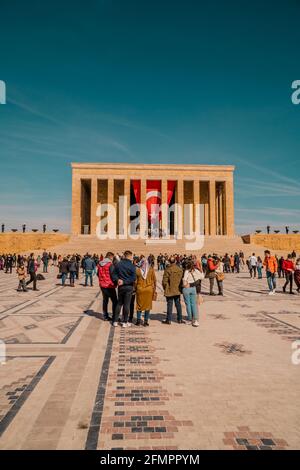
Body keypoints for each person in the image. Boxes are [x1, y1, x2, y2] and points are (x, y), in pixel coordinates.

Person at [112, 250, 136, 327]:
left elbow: (113, 274)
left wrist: (117, 280)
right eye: (131, 256)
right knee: (126, 304)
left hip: (121, 286)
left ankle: (115, 321)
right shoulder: (132, 266)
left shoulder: (119, 264)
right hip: (128, 286)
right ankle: (124, 321)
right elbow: (133, 278)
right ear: (129, 256)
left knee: (119, 303)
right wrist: (125, 282)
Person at [135, 256, 156, 326]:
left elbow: (135, 281)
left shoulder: (137, 270)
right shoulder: (151, 270)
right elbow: (154, 280)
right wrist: (154, 290)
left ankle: (138, 321)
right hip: (149, 290)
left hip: (140, 289)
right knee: (148, 306)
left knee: (139, 306)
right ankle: (146, 321)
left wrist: (135, 289)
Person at [162, 256, 183, 324]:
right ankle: (180, 319)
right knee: (178, 304)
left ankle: (169, 320)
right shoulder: (179, 269)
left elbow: (164, 281)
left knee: (169, 305)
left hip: (170, 290)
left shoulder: (168, 269)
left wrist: (165, 288)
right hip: (177, 289)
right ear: (175, 261)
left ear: (169, 261)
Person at [97, 252, 117, 322]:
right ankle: (115, 316)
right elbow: (113, 276)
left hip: (102, 285)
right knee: (115, 301)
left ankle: (105, 316)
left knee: (105, 301)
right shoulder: (110, 265)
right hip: (109, 285)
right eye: (112, 257)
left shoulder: (100, 264)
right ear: (110, 257)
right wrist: (116, 283)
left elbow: (97, 274)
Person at [182, 260, 200, 326]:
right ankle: (195, 320)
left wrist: (185, 284)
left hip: (187, 288)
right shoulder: (195, 270)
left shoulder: (186, 271)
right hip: (193, 289)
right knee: (194, 304)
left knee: (188, 304)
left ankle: (190, 319)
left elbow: (184, 280)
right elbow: (201, 277)